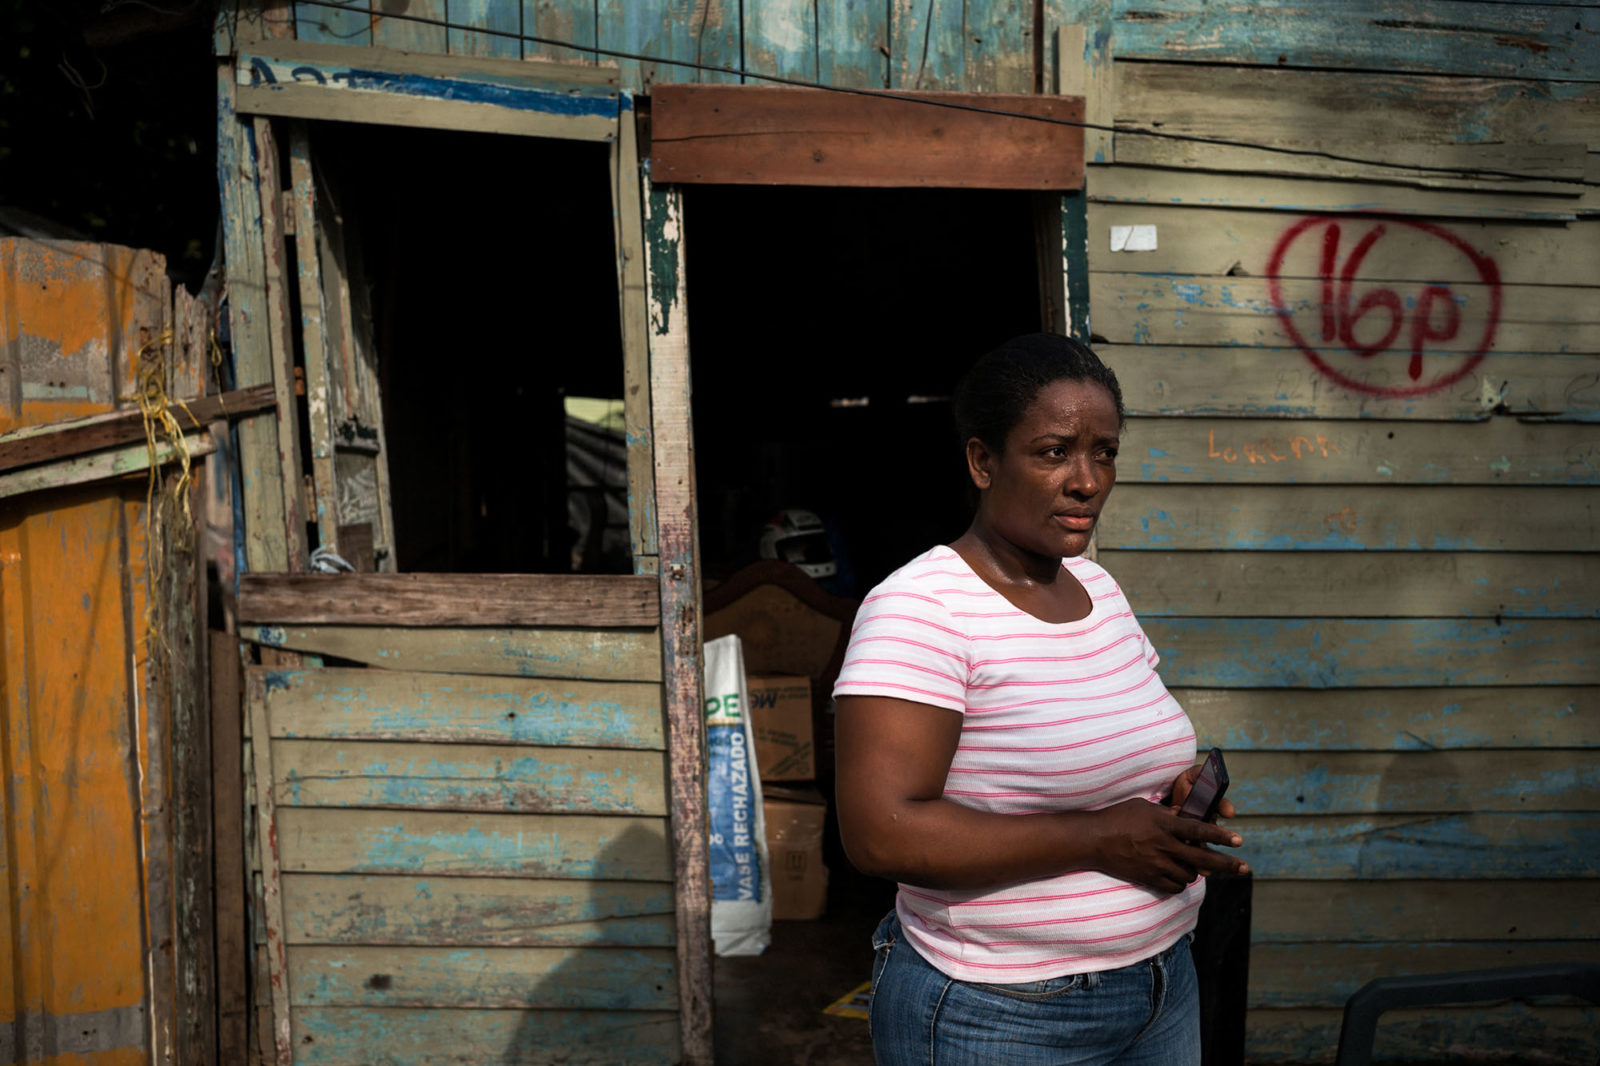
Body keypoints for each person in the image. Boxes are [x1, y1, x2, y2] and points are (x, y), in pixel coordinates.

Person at [832, 333, 1247, 1066]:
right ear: (983, 461)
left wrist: (1171, 794)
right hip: (999, 1012)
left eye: (1105, 452)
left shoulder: (1099, 589)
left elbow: (1105, 744)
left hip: (1160, 984)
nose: (1087, 480)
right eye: (1054, 451)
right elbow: (882, 834)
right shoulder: (921, 610)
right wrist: (1101, 836)